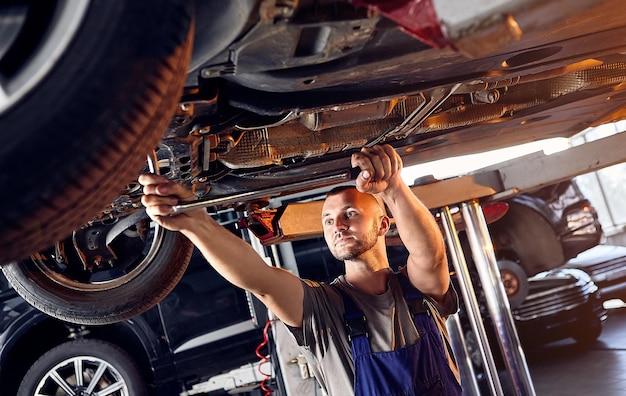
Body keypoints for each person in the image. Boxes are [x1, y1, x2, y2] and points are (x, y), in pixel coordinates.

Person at [139, 144, 462, 395]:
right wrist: (197, 225)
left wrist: (393, 187)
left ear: (382, 225)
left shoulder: (418, 293)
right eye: (328, 220)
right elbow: (260, 280)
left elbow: (430, 255)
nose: (337, 225)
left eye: (350, 213)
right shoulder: (323, 309)